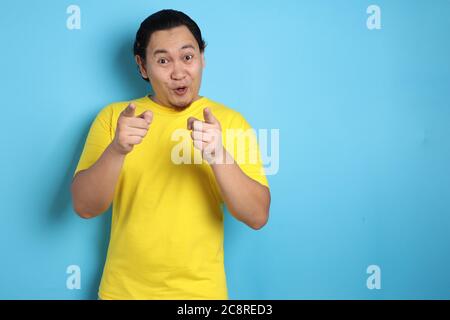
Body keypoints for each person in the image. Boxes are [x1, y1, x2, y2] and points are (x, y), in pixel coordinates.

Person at [71, 9, 271, 300]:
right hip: (123, 293)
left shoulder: (229, 122)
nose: (178, 72)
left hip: (201, 297)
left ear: (202, 57)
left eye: (187, 57)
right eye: (163, 60)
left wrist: (217, 153)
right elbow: (84, 207)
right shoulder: (114, 119)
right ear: (142, 66)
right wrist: (117, 150)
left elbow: (257, 216)